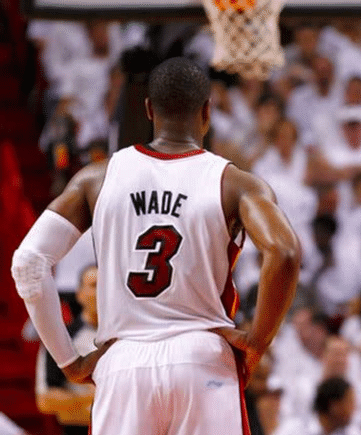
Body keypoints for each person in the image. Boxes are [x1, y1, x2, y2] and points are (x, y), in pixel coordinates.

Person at [11, 57, 301, 435]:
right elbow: (285, 252)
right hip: (202, 357)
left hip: (123, 362)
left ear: (149, 110)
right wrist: (258, 341)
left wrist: (69, 361)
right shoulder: (235, 183)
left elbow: (29, 262)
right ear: (207, 111)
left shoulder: (96, 179)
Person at [35, 264, 99, 435]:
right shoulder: (60, 338)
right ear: (79, 293)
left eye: (106, 287)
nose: (101, 293)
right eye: (94, 286)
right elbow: (45, 401)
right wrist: (95, 395)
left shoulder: (127, 337)